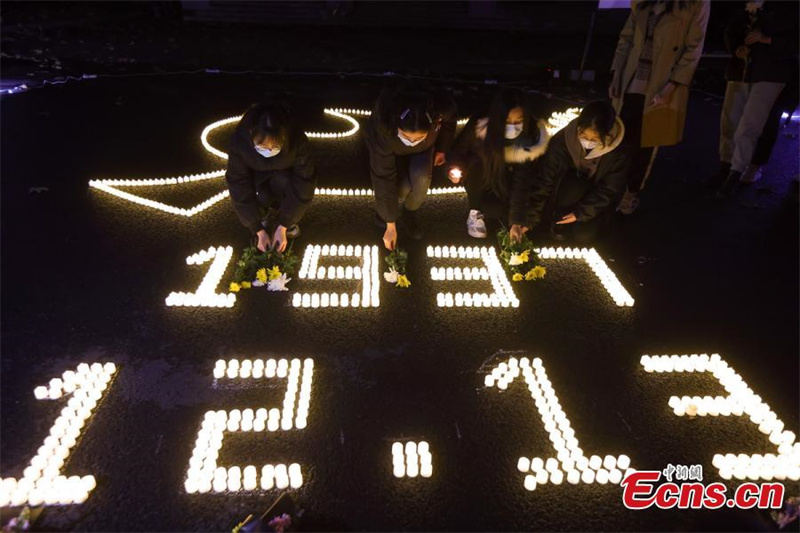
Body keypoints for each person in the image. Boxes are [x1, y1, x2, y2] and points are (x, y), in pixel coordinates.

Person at [609, 0, 710, 214]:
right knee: (619, 139)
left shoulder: (696, 4)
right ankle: (608, 192)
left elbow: (694, 48)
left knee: (646, 143)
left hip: (661, 84)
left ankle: (630, 194)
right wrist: (617, 73)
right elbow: (627, 38)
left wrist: (672, 86)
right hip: (630, 80)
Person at [712, 0, 799, 197]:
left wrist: (768, 39)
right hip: (741, 69)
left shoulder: (788, 6)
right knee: (729, 121)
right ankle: (726, 166)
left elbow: (793, 38)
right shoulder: (744, 6)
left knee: (750, 125)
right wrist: (736, 47)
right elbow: (730, 28)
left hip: (771, 71)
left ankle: (737, 171)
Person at [516, 101, 630, 244]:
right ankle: (559, 221)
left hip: (595, 203)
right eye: (583, 135)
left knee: (584, 236)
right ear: (578, 127)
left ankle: (575, 223)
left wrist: (580, 213)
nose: (587, 142)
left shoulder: (618, 152)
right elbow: (545, 178)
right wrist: (530, 218)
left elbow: (609, 188)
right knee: (574, 184)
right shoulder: (562, 140)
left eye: (594, 139)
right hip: (564, 194)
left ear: (606, 134)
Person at [447, 89, 550, 239]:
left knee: (495, 211)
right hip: (481, 178)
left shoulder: (530, 138)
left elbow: (522, 181)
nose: (513, 127)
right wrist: (454, 169)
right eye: (507, 122)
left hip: (507, 183)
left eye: (518, 121)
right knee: (477, 162)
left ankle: (499, 208)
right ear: (497, 118)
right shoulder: (480, 126)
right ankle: (475, 211)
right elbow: (459, 152)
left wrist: (516, 221)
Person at [365, 83, 457, 250]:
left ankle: (410, 212)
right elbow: (383, 175)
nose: (413, 142)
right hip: (392, 149)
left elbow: (450, 122)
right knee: (402, 187)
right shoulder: (383, 129)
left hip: (425, 149)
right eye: (407, 136)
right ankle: (385, 213)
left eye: (419, 137)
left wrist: (442, 148)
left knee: (422, 179)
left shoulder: (441, 107)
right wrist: (390, 223)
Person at [225, 102, 316, 253]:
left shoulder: (297, 141)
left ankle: (285, 215)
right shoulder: (239, 143)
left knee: (284, 182)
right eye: (262, 147)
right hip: (257, 179)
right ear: (251, 137)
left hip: (284, 176)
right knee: (262, 196)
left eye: (275, 147)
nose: (269, 151)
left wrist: (285, 224)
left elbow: (304, 181)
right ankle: (263, 213)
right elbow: (238, 183)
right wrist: (257, 229)